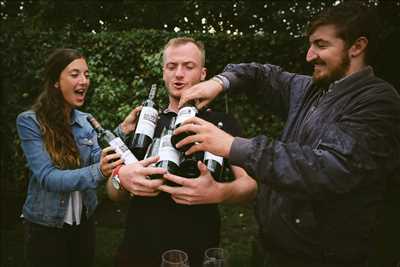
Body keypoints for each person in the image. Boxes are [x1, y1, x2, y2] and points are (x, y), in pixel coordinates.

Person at [175, 2, 400, 267]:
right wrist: (218, 83)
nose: (309, 56)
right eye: (310, 44)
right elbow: (259, 74)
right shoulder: (309, 88)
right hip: (271, 248)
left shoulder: (378, 102)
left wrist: (234, 147)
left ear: (357, 46)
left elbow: (328, 169)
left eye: (321, 45)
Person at [107, 37, 257, 267]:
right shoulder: (144, 121)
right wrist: (120, 178)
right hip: (139, 247)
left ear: (203, 73)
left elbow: (249, 185)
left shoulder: (221, 123)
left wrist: (218, 192)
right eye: (171, 66)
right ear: (164, 73)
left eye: (188, 66)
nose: (179, 74)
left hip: (197, 245)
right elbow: (113, 192)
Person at [16, 48, 119, 267]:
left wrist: (123, 131)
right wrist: (99, 171)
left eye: (87, 75)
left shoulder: (86, 120)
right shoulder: (30, 122)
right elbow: (48, 177)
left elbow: (94, 158)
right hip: (45, 227)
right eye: (75, 74)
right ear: (55, 81)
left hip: (84, 223)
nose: (84, 81)